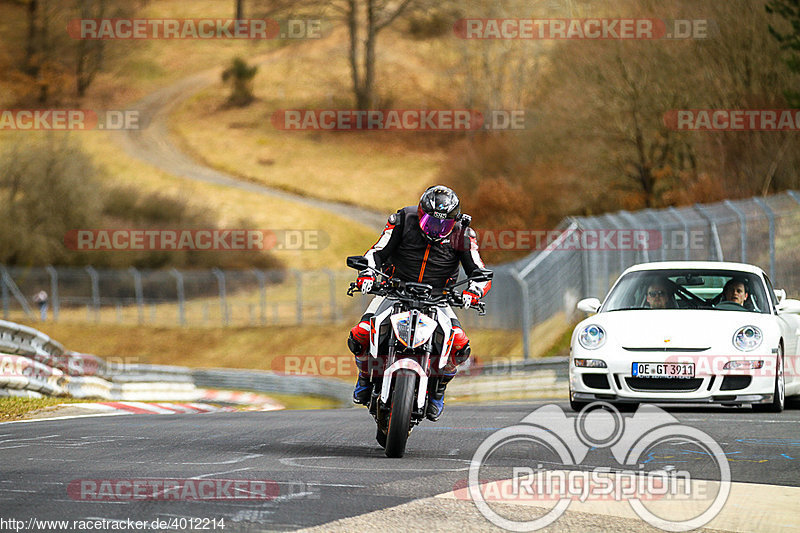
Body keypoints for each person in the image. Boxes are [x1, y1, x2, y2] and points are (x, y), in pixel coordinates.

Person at [347, 185, 491, 421]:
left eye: (443, 225)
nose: (436, 229)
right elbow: (377, 252)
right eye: (431, 222)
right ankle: (365, 376)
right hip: (393, 290)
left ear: (453, 222)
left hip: (438, 298)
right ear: (421, 213)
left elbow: (479, 271)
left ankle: (439, 390)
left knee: (460, 345)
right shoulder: (402, 220)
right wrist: (367, 275)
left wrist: (473, 293)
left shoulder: (464, 235)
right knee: (360, 333)